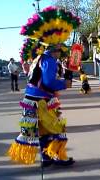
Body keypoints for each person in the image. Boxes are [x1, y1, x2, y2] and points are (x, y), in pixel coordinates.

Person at [7, 6, 80, 167]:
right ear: (55, 49)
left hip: (31, 100)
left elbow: (34, 78)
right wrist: (64, 84)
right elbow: (48, 82)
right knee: (57, 129)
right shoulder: (49, 60)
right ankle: (57, 156)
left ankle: (46, 157)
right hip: (41, 101)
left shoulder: (39, 58)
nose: (61, 52)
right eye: (60, 49)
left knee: (42, 131)